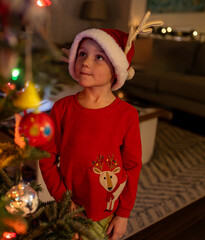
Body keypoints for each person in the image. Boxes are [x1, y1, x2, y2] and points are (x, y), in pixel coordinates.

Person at [39, 28, 142, 240]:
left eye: (99, 57)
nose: (86, 62)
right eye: (82, 53)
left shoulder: (127, 115)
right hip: (67, 206)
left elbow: (132, 167)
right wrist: (62, 199)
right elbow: (46, 157)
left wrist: (123, 214)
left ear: (116, 69)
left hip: (105, 211)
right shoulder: (61, 109)